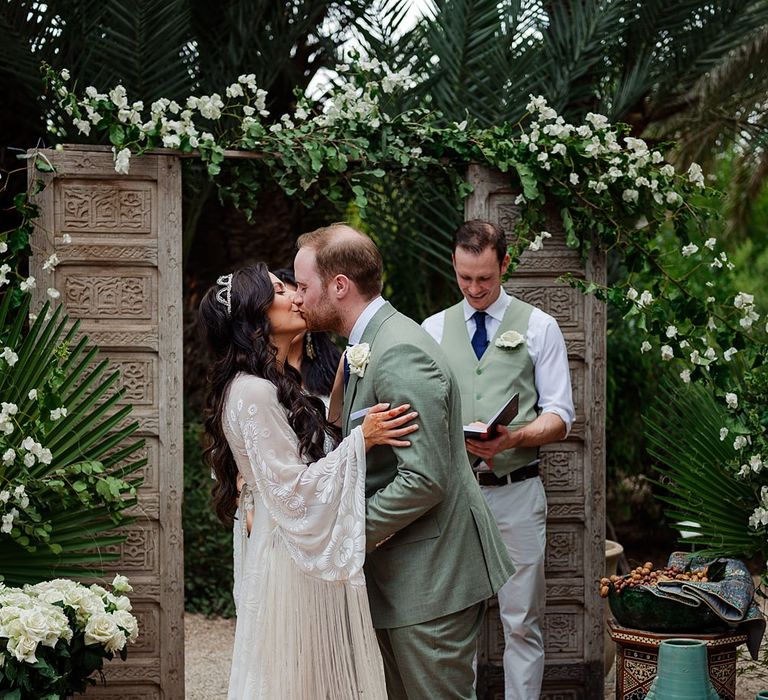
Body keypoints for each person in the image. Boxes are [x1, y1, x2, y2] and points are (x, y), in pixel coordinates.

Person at [293, 223, 515, 700]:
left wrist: (344, 535)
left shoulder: (400, 353)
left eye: (303, 286)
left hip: (432, 579)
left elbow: (424, 479)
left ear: (339, 286)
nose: (297, 298)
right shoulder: (365, 345)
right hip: (402, 575)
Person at [198, 264, 419, 700]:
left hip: (303, 546)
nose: (296, 297)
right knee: (297, 678)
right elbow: (293, 492)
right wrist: (363, 441)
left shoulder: (275, 385)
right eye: (280, 292)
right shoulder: (253, 392)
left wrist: (338, 410)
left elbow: (308, 458)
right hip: (290, 555)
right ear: (254, 315)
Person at [421, 219, 575, 700]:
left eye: (485, 278)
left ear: (505, 264)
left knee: (522, 622)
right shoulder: (431, 329)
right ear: (455, 264)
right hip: (455, 497)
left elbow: (562, 415)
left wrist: (513, 439)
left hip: (517, 493)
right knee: (454, 624)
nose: (474, 289)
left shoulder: (539, 326)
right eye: (465, 278)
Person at [272, 267, 341, 401]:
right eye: (280, 293)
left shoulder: (334, 367)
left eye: (300, 301)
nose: (295, 302)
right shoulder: (260, 377)